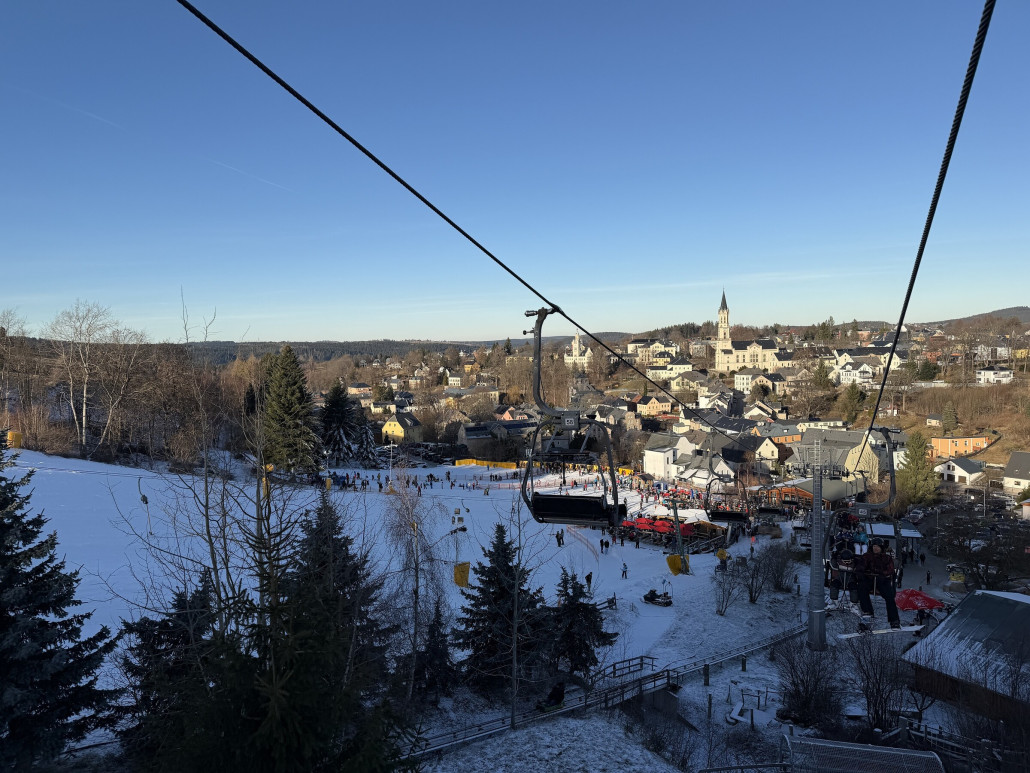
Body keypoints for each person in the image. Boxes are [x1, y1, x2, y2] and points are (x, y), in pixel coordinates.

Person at [856, 538, 900, 628]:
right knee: (861, 588)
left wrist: (881, 573)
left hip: (882, 580)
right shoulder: (867, 556)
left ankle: (894, 620)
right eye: (874, 546)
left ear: (881, 548)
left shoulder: (887, 558)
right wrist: (861, 573)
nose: (875, 548)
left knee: (889, 596)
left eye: (878, 547)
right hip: (870, 579)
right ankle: (867, 613)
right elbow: (860, 566)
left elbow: (890, 570)